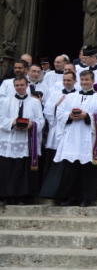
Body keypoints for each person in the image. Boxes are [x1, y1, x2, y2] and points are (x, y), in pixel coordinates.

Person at [40, 70, 97, 207]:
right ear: (79, 81)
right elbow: (60, 113)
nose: (84, 82)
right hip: (71, 137)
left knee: (87, 169)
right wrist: (69, 115)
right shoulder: (70, 97)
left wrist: (87, 116)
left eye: (87, 80)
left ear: (93, 81)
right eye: (82, 80)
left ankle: (85, 197)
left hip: (88, 138)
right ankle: (70, 196)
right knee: (70, 169)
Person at [0, 76, 44, 206]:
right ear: (14, 86)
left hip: (26, 141)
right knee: (7, 169)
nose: (19, 87)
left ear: (27, 86)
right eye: (17, 85)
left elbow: (41, 121)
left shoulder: (35, 102)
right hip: (9, 139)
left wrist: (31, 124)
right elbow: (1, 119)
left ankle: (21, 197)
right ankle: (5, 197)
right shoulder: (6, 102)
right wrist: (13, 122)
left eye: (22, 85)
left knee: (22, 169)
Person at [43, 72, 78, 183]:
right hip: (56, 129)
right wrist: (57, 104)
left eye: (69, 80)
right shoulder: (55, 94)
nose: (66, 83)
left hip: (72, 129)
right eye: (64, 80)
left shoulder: (78, 95)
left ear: (75, 81)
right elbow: (47, 111)